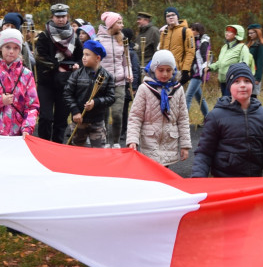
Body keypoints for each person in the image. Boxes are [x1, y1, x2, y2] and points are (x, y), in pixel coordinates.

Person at [190, 63, 263, 178]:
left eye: (247, 81)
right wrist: (198, 179)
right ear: (229, 86)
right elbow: (204, 153)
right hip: (224, 182)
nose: (242, 85)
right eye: (237, 81)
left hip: (253, 182)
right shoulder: (216, 116)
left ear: (252, 84)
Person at [125, 50, 191, 167]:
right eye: (161, 70)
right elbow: (135, 116)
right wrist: (132, 140)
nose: (165, 74)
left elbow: (183, 118)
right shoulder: (144, 89)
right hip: (150, 142)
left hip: (169, 143)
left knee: (165, 178)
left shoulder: (178, 89)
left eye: (168, 70)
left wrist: (185, 145)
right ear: (153, 69)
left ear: (173, 70)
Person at [34, 3, 82, 143]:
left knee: (61, 119)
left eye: (64, 16)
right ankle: (43, 144)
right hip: (47, 83)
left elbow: (80, 56)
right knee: (46, 117)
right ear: (52, 17)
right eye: (58, 16)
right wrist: (57, 67)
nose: (61, 19)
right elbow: (40, 58)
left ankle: (57, 146)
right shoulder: (44, 36)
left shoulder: (74, 36)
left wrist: (76, 65)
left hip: (66, 83)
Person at [64, 40, 116, 148]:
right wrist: (75, 111)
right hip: (79, 121)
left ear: (98, 58)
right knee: (76, 150)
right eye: (83, 54)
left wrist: (96, 102)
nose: (83, 57)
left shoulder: (107, 76)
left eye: (87, 55)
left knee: (98, 152)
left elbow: (111, 98)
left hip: (97, 122)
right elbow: (67, 94)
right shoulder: (76, 75)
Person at [96, 11, 132, 148]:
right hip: (103, 83)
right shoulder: (98, 40)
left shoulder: (123, 40)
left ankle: (116, 142)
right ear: (111, 24)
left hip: (120, 82)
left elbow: (126, 61)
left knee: (117, 114)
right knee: (103, 114)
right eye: (119, 22)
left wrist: (128, 73)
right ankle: (103, 141)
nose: (122, 25)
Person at [207, 24, 253, 97]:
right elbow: (220, 63)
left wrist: (237, 78)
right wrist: (210, 67)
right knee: (226, 102)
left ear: (237, 35)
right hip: (222, 80)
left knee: (229, 102)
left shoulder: (242, 48)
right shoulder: (224, 47)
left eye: (230, 32)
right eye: (226, 31)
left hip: (233, 81)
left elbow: (244, 64)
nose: (226, 33)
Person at [158, 7, 195, 86]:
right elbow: (161, 51)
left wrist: (185, 70)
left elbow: (190, 52)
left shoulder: (186, 31)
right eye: (168, 16)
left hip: (178, 71)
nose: (171, 17)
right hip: (164, 70)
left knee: (176, 96)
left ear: (177, 16)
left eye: (173, 15)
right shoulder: (164, 32)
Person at [185, 22, 211, 122]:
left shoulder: (204, 41)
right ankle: (208, 119)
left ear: (198, 31)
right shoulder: (193, 40)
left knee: (188, 96)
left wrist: (205, 67)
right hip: (193, 72)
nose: (191, 31)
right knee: (200, 98)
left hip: (199, 72)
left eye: (193, 30)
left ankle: (183, 120)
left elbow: (206, 55)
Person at [246, 23, 263, 94]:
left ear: (257, 32)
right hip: (246, 72)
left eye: (251, 33)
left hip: (254, 74)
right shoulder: (249, 44)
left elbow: (260, 62)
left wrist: (258, 78)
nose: (249, 35)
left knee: (253, 96)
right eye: (249, 33)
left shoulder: (260, 46)